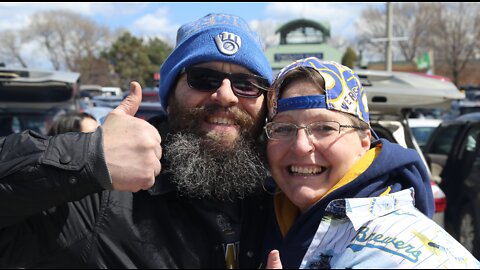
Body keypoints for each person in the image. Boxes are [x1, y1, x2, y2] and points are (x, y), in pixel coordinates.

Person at [0, 13, 273, 268]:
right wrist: (88, 156)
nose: (226, 96)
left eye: (247, 84)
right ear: (169, 98)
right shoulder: (101, 199)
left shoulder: (278, 195)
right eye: (204, 79)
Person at [261, 57, 480, 268]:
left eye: (325, 128)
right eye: (283, 129)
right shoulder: (261, 222)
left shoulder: (411, 254)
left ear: (364, 141)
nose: (300, 146)